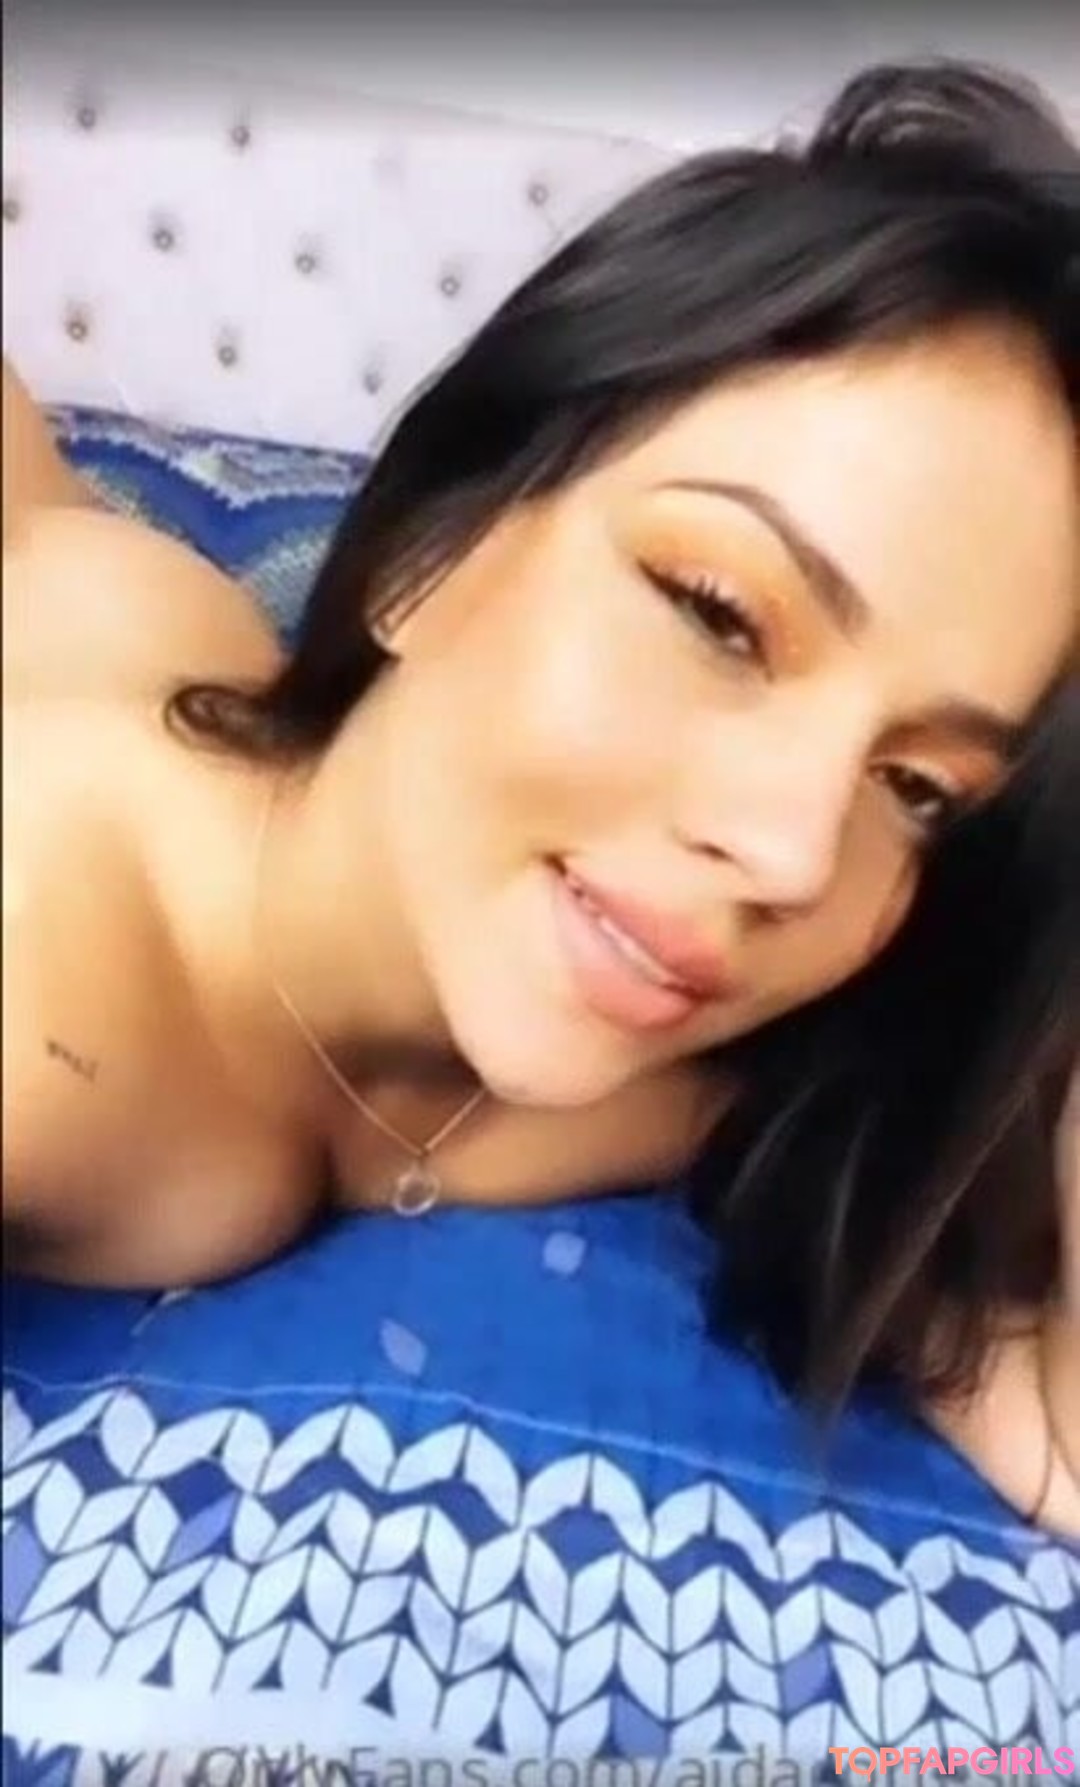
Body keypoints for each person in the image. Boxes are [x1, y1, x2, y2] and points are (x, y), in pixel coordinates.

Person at [3, 59, 1078, 1534]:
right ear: (431, 547)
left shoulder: (668, 1062)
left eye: (919, 787)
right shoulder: (47, 1016)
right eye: (719, 613)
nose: (789, 852)